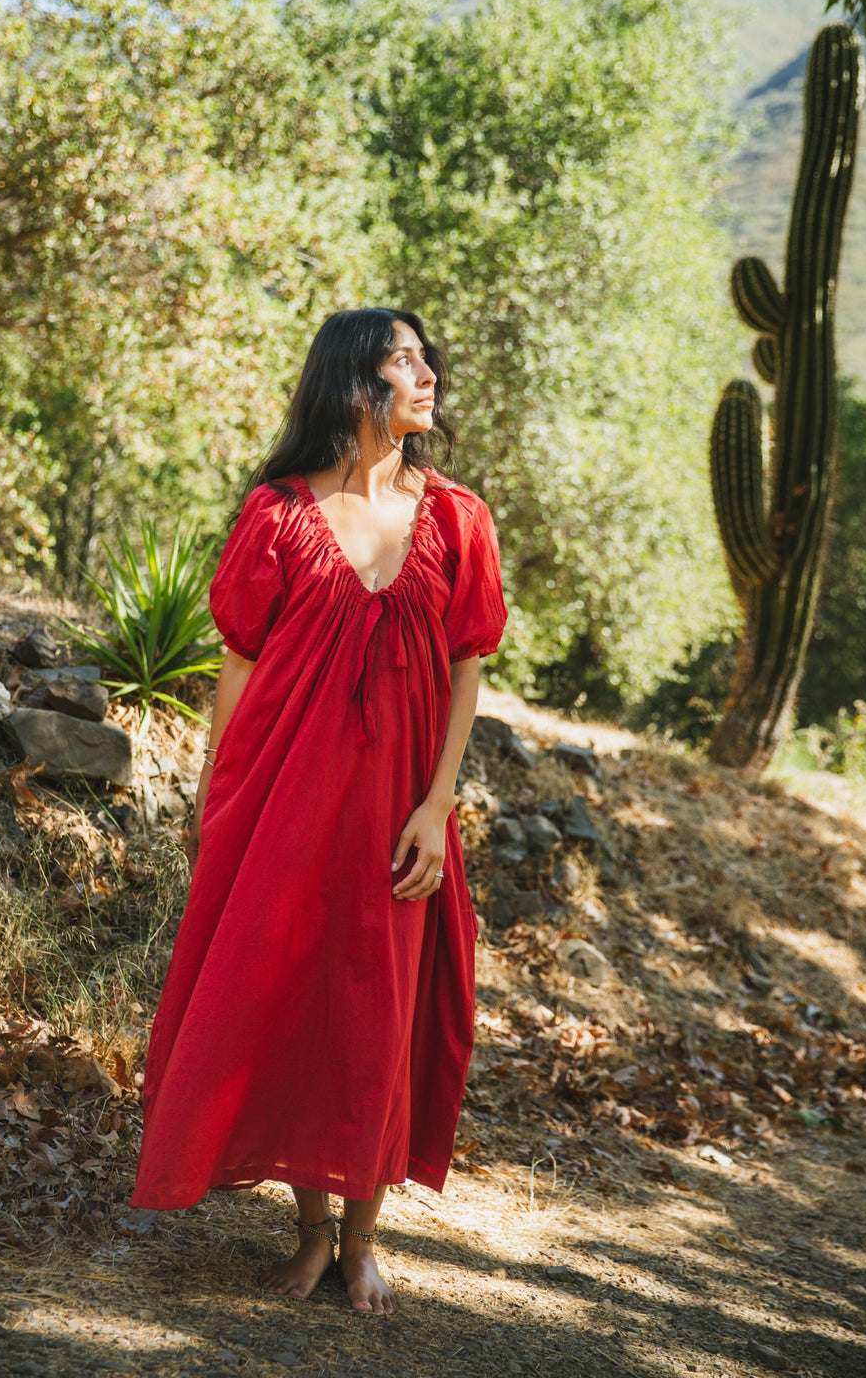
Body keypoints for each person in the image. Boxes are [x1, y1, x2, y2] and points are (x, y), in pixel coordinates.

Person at [129, 307, 507, 1315]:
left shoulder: (458, 518)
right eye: (403, 361)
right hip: (285, 804)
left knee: (379, 1020)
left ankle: (364, 1241)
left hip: (400, 815)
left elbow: (466, 670)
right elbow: (240, 664)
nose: (426, 375)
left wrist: (437, 806)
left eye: (428, 357)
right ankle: (307, 1235)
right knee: (296, 1008)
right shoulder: (277, 514)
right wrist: (222, 802)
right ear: (351, 385)